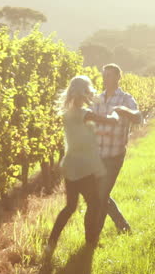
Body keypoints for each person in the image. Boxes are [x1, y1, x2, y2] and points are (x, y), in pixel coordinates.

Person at [45, 75, 118, 258]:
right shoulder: (85, 113)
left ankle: (51, 243)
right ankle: (90, 242)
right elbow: (111, 121)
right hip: (84, 168)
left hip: (70, 166)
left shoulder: (68, 112)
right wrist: (117, 112)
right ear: (84, 92)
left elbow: (83, 134)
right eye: (88, 90)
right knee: (93, 204)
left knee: (70, 207)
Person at [92, 63, 142, 234]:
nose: (105, 79)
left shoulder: (126, 99)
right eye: (104, 75)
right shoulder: (97, 99)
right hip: (97, 155)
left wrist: (125, 111)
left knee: (101, 195)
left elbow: (138, 117)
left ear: (118, 78)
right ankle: (123, 226)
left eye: (109, 75)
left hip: (114, 156)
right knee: (97, 194)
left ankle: (93, 237)